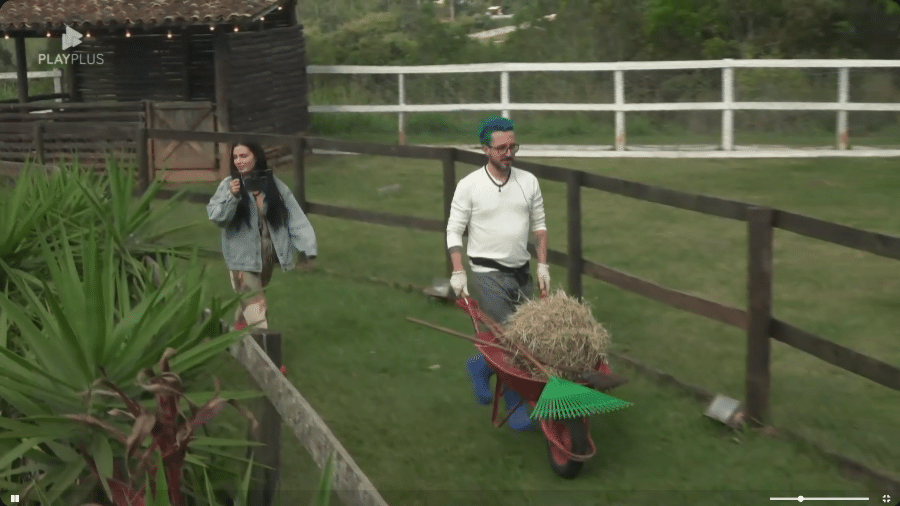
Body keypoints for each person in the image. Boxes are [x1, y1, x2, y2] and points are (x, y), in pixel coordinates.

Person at [445, 116, 550, 432]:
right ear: (485, 150)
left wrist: (542, 264)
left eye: (512, 146)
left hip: (522, 274)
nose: (509, 153)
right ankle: (517, 407)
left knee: (527, 339)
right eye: (502, 148)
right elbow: (454, 230)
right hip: (487, 273)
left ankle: (478, 365)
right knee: (511, 343)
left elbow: (540, 226)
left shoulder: (528, 181)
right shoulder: (470, 186)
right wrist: (458, 271)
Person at [207, 141, 317, 331]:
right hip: (241, 259)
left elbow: (294, 217)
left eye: (244, 156)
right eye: (235, 157)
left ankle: (239, 334)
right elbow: (217, 217)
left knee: (248, 301)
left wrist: (308, 247)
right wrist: (233, 197)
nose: (239, 161)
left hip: (267, 257)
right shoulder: (229, 185)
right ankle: (270, 357)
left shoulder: (273, 185)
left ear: (255, 157)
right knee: (257, 306)